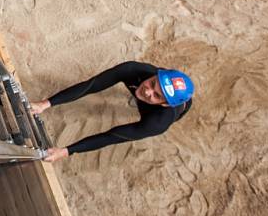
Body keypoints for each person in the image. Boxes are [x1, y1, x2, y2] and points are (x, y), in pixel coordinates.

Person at [31, 61, 194, 162]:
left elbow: (111, 136)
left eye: (157, 95)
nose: (148, 91)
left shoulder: (158, 122)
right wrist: (44, 104)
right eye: (152, 83)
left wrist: (65, 152)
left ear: (165, 104)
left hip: (167, 112)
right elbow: (91, 85)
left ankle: (153, 100)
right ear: (155, 75)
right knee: (141, 91)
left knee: (150, 102)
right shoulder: (135, 70)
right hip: (146, 88)